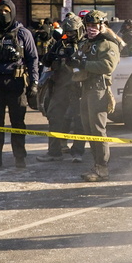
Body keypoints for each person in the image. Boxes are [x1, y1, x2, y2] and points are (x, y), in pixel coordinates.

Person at [0, 0, 39, 169]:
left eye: (6, 11)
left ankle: (20, 158)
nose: (3, 14)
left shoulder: (23, 33)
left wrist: (34, 83)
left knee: (18, 122)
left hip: (16, 83)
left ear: (12, 12)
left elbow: (33, 59)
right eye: (0, 11)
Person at [67, 10, 120, 181]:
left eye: (94, 25)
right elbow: (78, 59)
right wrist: (72, 62)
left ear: (102, 25)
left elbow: (107, 66)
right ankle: (96, 164)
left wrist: (84, 64)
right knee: (88, 129)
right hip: (85, 88)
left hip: (99, 89)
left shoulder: (108, 44)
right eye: (88, 25)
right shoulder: (86, 43)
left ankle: (102, 167)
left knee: (98, 129)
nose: (91, 29)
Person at [36, 13, 88, 163]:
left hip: (79, 87)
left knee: (80, 120)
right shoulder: (61, 42)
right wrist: (55, 58)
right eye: (67, 32)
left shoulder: (87, 43)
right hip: (60, 87)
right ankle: (54, 151)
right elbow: (46, 60)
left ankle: (77, 152)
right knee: (54, 117)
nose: (69, 35)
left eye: (72, 32)